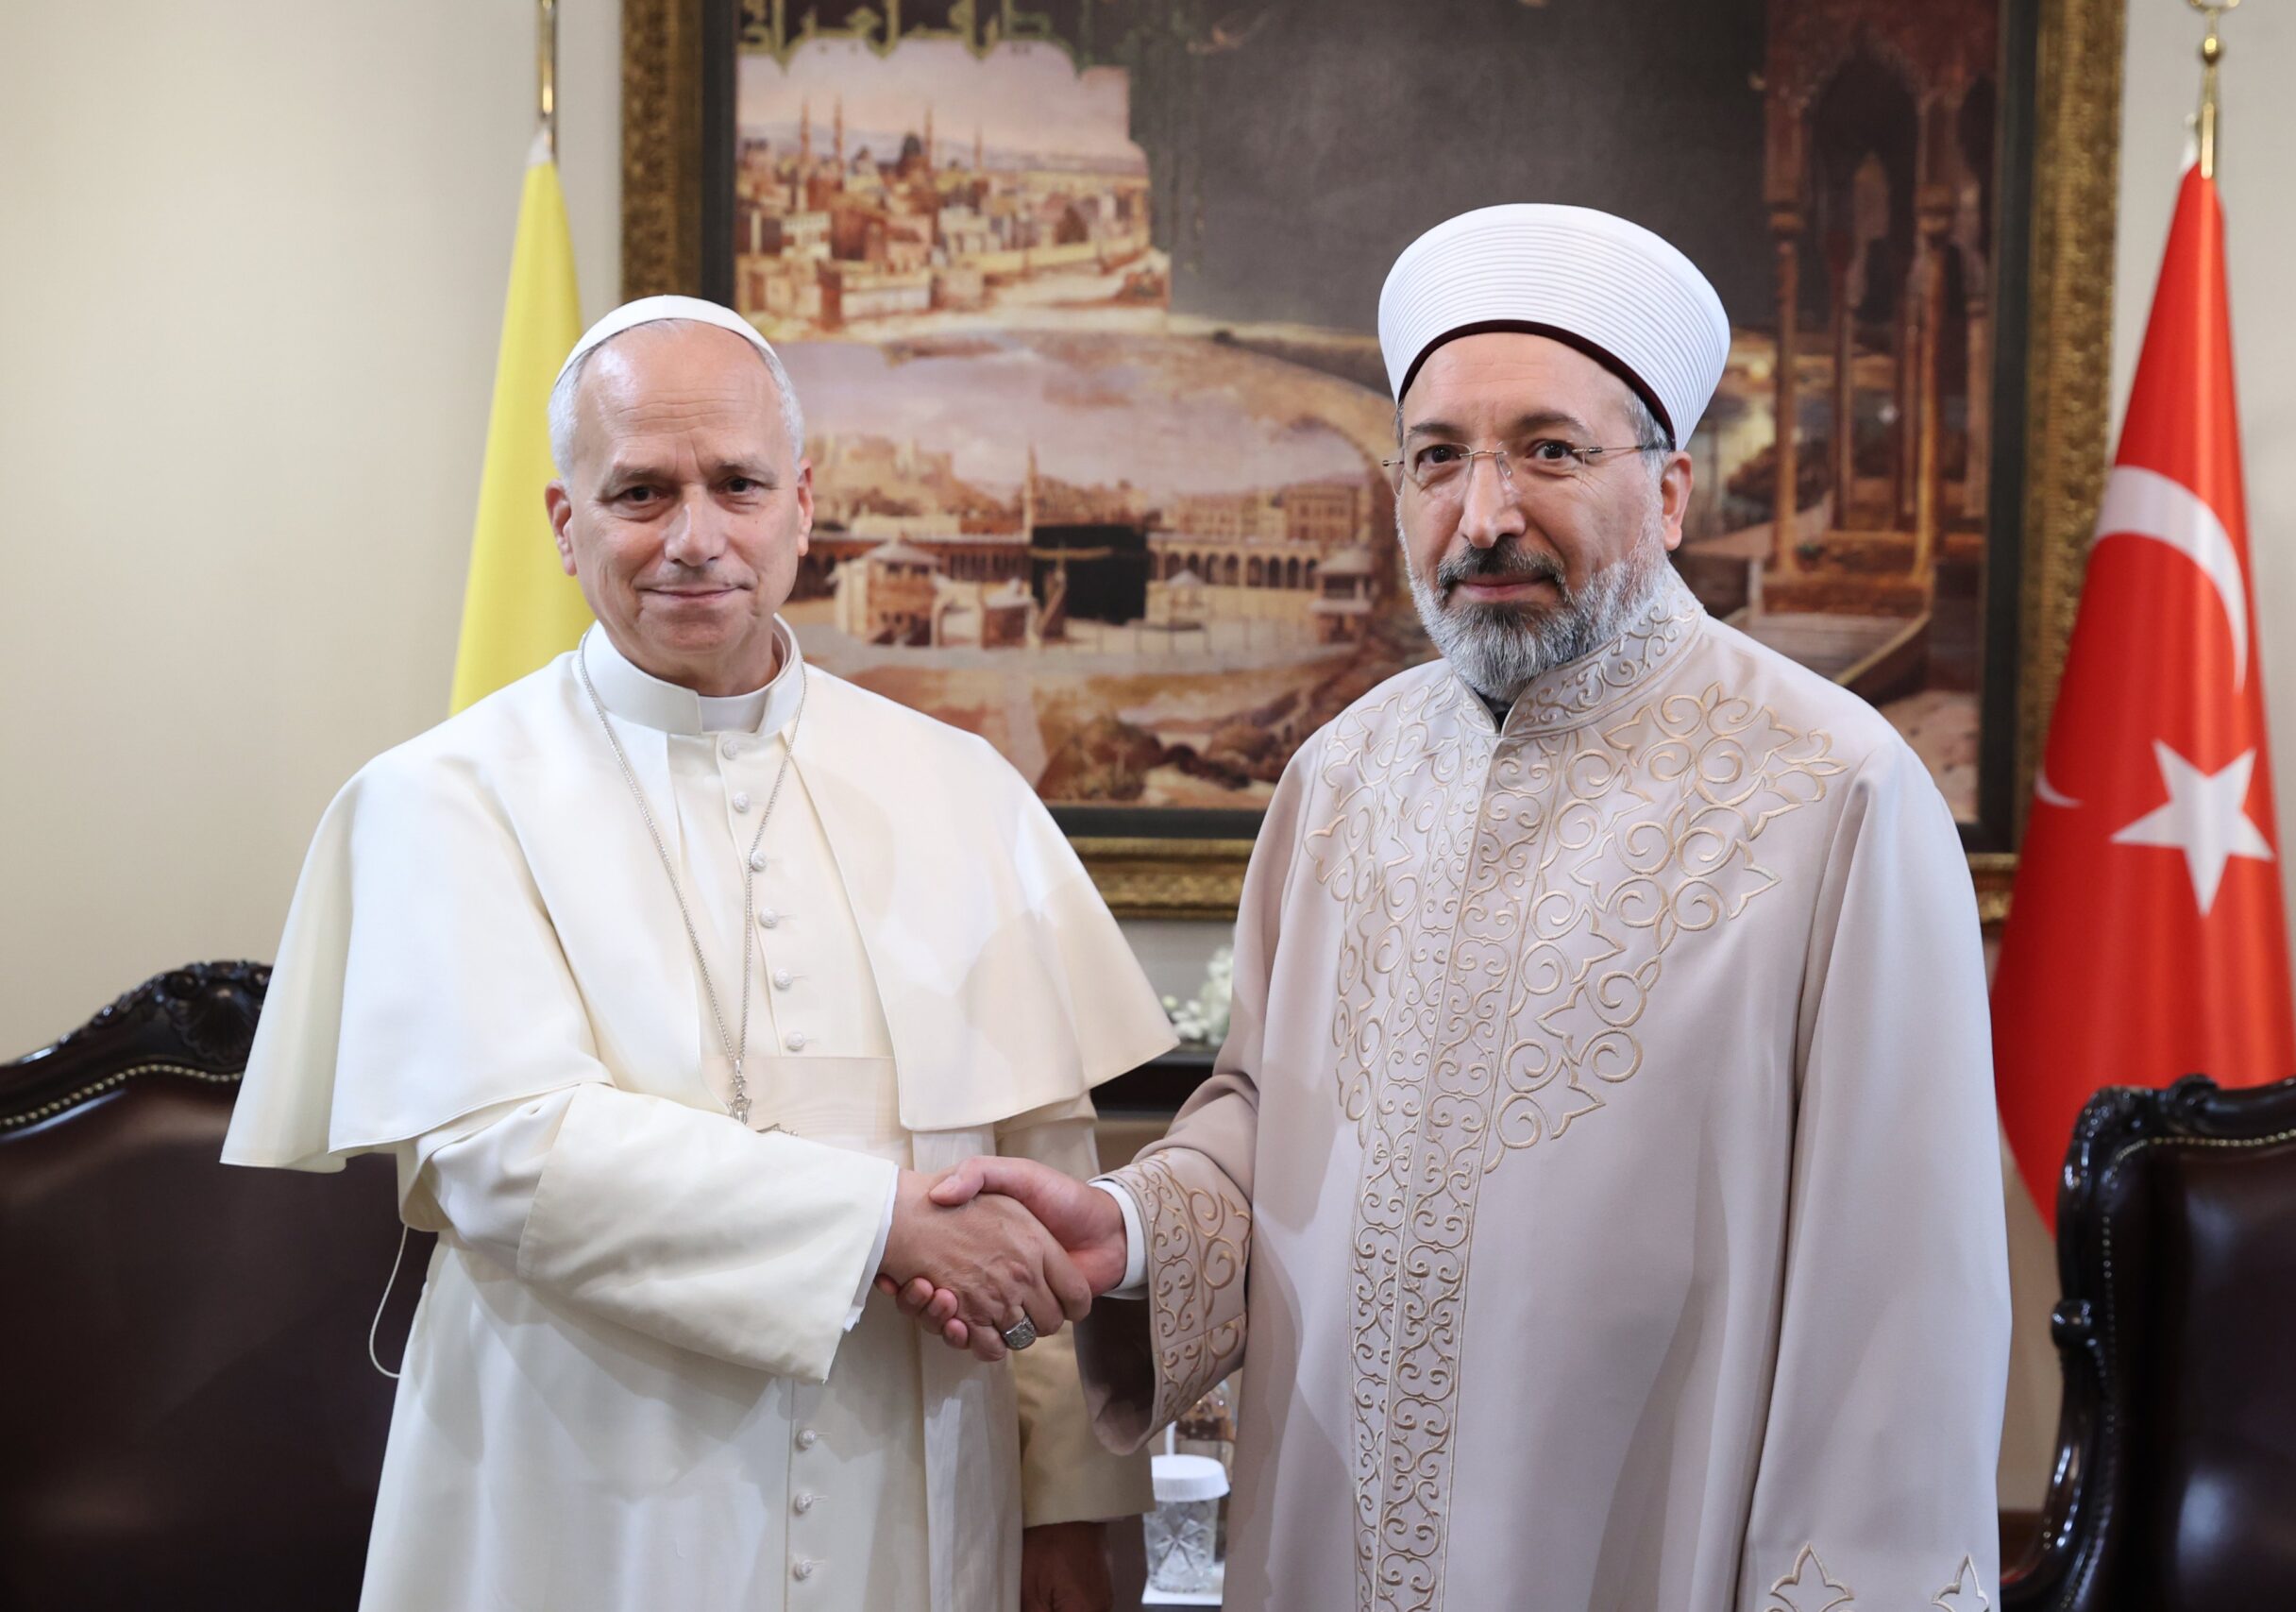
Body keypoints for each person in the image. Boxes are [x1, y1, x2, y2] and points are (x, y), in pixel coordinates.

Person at [884, 207, 2011, 1611]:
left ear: (1670, 493)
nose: (1484, 517)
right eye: (1436, 458)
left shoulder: (1835, 791)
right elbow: (1267, 1118)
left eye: (1549, 451)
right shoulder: (1341, 777)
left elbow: (1898, 1308)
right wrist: (1133, 1228)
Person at [222, 296, 1173, 1612]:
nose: (694, 538)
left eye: (737, 485)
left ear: (803, 507)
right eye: (641, 493)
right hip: (583, 1498)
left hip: (917, 1495)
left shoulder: (962, 791)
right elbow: (507, 1154)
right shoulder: (441, 799)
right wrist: (882, 1223)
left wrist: (1068, 1508)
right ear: (566, 522)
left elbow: (1039, 1165)